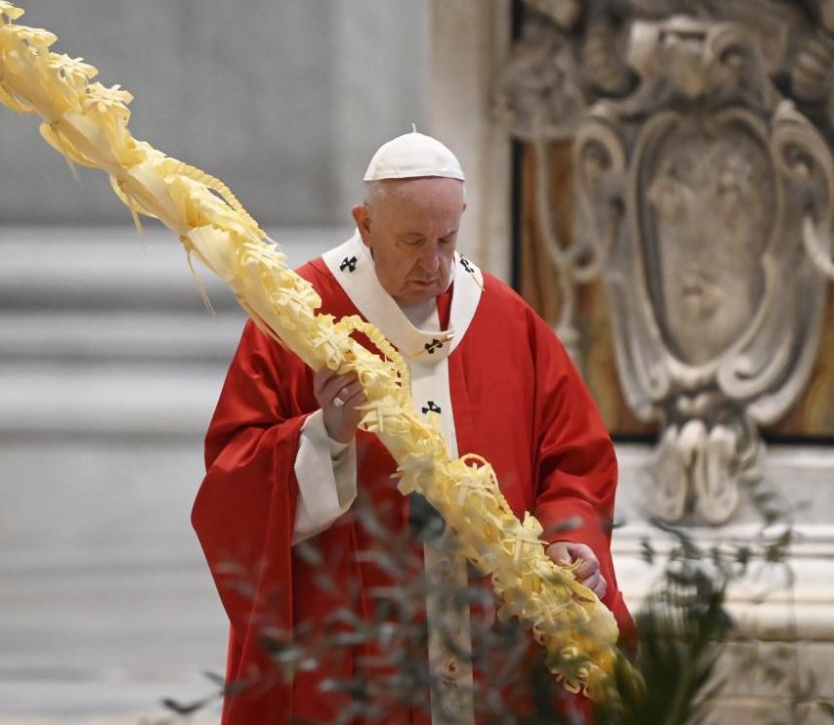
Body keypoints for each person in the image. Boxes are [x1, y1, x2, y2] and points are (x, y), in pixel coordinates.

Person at [192, 132, 633, 724]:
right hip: (360, 650)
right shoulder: (297, 313)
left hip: (490, 645)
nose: (434, 265)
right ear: (365, 224)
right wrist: (327, 436)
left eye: (447, 239)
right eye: (412, 242)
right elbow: (232, 480)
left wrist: (569, 539)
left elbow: (572, 458)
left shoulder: (502, 317)